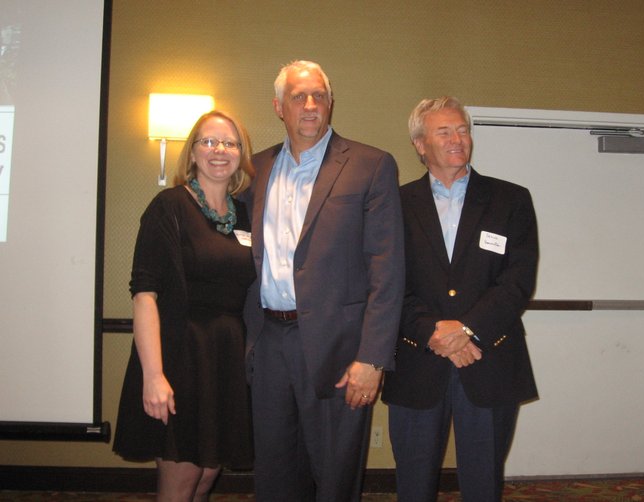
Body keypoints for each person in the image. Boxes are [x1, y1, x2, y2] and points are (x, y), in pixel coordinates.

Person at [243, 60, 404, 502]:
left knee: (335, 478)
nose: (310, 105)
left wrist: (372, 359)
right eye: (299, 96)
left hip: (340, 351)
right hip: (270, 343)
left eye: (319, 96)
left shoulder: (371, 165)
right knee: (274, 475)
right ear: (279, 107)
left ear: (331, 103)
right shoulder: (254, 171)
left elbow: (387, 270)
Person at [382, 97, 539, 502]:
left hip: (489, 359)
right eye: (444, 131)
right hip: (418, 359)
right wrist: (433, 330)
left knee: (484, 484)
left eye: (463, 130)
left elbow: (517, 282)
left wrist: (466, 329)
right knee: (413, 485)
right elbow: (386, 282)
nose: (457, 139)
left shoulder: (512, 200)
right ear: (420, 144)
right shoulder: (393, 205)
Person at [113, 110, 255, 501]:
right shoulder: (169, 206)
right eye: (208, 141)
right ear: (192, 152)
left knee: (207, 475)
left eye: (230, 143)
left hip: (224, 360)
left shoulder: (244, 215)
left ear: (242, 155)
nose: (219, 150)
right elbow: (144, 294)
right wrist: (153, 375)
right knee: (180, 482)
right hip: (181, 357)